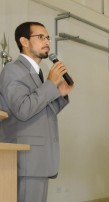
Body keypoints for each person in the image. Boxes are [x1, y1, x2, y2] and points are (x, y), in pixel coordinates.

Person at [0, 22, 73, 202]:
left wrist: (59, 95)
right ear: (24, 41)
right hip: (26, 159)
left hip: (39, 159)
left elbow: (40, 113)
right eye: (40, 37)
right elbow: (22, 110)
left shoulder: (38, 73)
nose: (47, 41)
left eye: (47, 37)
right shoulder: (12, 70)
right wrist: (50, 85)